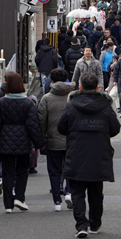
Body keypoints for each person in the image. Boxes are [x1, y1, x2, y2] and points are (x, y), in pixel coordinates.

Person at [58, 72, 120, 238]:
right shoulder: (105, 106)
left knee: (77, 191)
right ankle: (94, 223)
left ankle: (81, 225)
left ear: (80, 87)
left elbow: (61, 127)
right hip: (99, 153)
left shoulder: (71, 105)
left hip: (76, 151)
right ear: (98, 87)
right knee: (96, 191)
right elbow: (115, 128)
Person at [0, 72, 44, 213]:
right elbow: (33, 125)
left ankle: (8, 205)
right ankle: (19, 198)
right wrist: (39, 142)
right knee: (22, 171)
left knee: (7, 173)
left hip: (5, 143)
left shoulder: (2, 102)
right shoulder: (27, 102)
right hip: (23, 142)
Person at [36, 68, 73, 210]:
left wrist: (42, 140)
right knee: (70, 168)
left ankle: (57, 201)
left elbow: (41, 122)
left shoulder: (46, 99)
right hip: (71, 140)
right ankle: (69, 192)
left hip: (52, 140)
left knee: (54, 170)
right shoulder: (73, 96)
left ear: (51, 81)